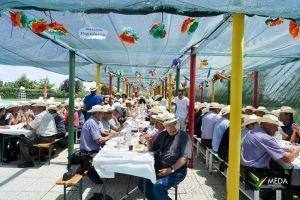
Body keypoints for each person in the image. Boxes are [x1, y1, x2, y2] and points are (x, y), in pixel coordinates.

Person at [138, 115, 192, 200]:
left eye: (174, 124)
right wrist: (149, 141)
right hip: (161, 167)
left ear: (177, 124)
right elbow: (152, 149)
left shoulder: (184, 136)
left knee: (158, 186)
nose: (172, 128)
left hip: (177, 170)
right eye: (169, 125)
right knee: (142, 183)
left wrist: (170, 170)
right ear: (165, 127)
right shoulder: (162, 134)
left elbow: (184, 158)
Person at [80, 105, 118, 184]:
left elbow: (100, 135)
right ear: (97, 113)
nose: (103, 115)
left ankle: (102, 173)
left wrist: (109, 135)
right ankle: (96, 173)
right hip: (89, 153)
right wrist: (111, 136)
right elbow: (99, 140)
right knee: (111, 156)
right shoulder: (92, 123)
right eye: (102, 113)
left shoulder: (93, 121)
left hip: (90, 150)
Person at [19, 101, 57, 168]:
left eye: (36, 107)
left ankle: (28, 162)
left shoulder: (40, 116)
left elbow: (29, 127)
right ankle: (40, 156)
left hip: (46, 138)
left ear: (40, 108)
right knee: (34, 137)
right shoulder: (48, 114)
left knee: (23, 141)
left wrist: (26, 117)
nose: (34, 109)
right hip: (53, 136)